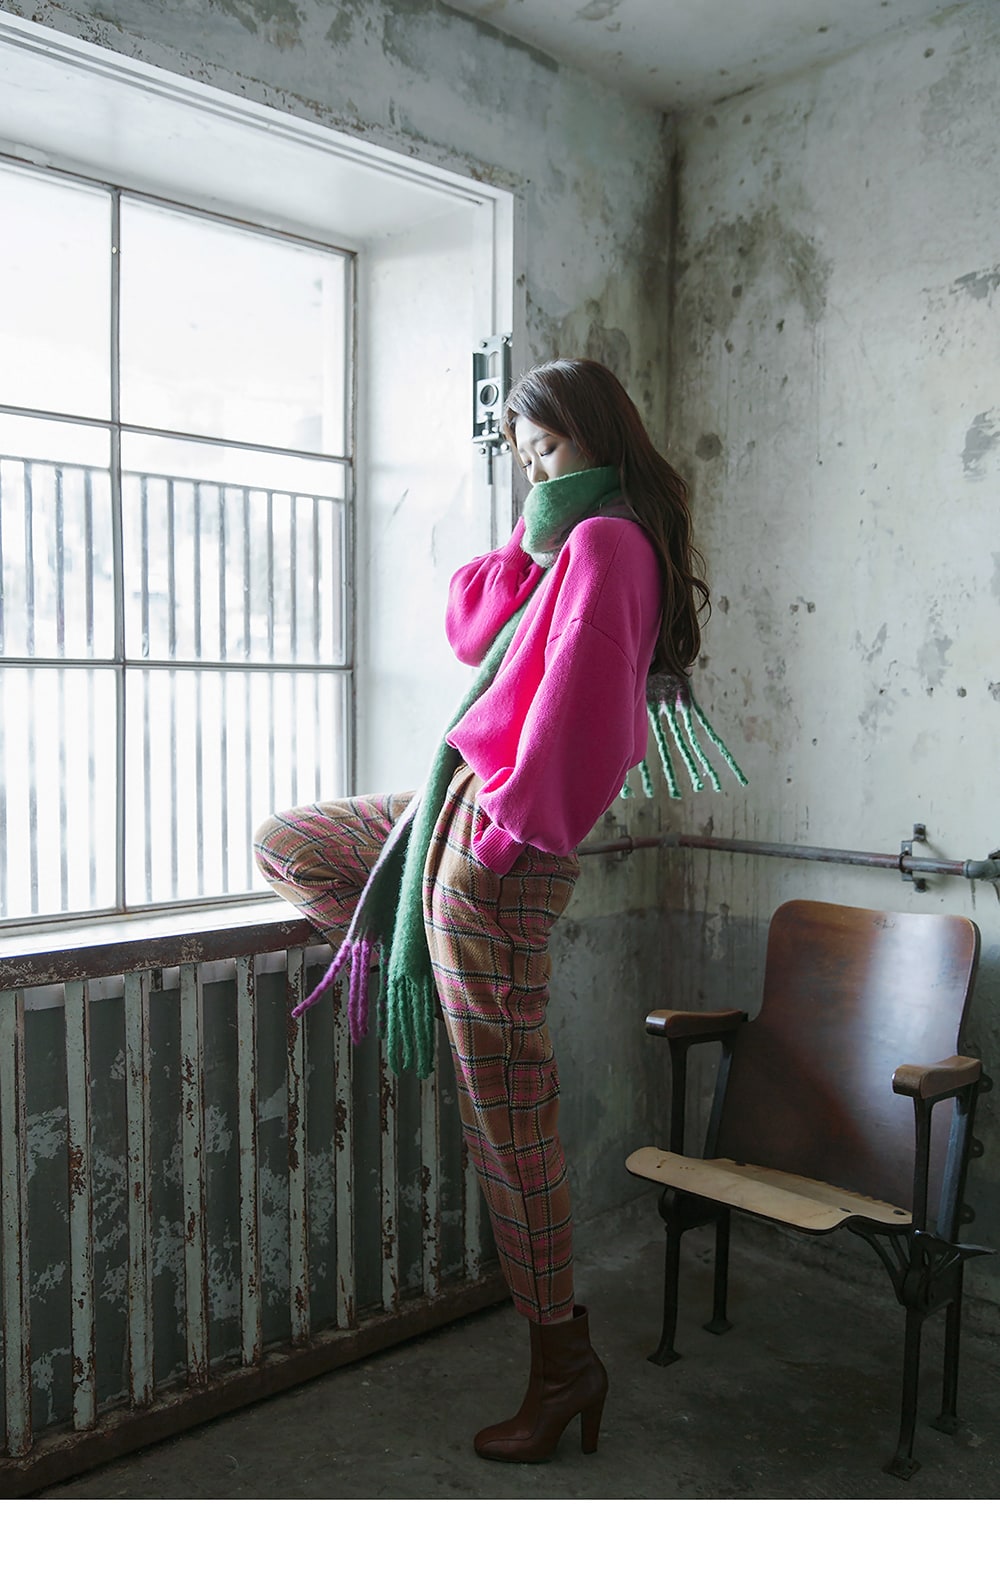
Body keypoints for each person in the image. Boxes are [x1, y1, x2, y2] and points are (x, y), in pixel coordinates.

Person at [253, 357, 710, 1463]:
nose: (532, 469)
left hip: (501, 844)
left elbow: (583, 716)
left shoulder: (612, 546)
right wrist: (530, 529)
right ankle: (406, 952)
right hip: (455, 814)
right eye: (521, 454)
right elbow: (471, 630)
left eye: (544, 449)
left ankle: (562, 1365)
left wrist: (502, 843)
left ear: (595, 435)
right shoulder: (567, 541)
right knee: (292, 843)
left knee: (510, 1126)